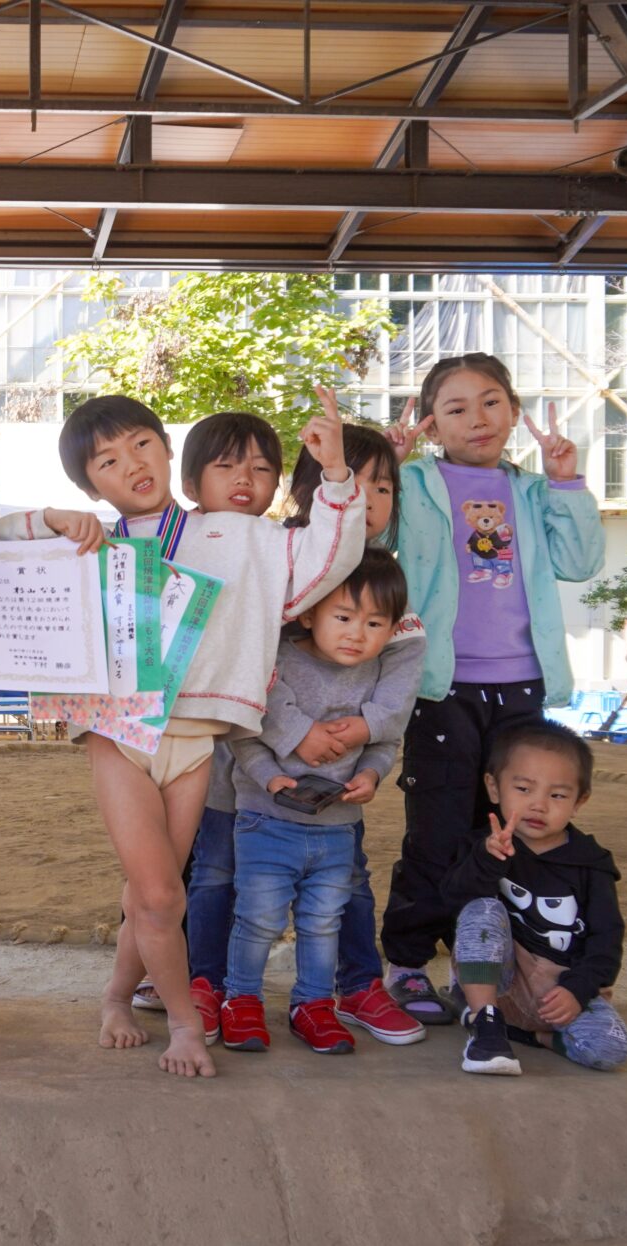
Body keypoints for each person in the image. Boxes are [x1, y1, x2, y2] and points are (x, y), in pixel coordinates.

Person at [0, 393, 364, 1077]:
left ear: (168, 450)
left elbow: (326, 559)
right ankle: (187, 1026)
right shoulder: (82, 540)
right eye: (107, 460)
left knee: (145, 893)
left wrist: (336, 476)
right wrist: (45, 518)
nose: (130, 464)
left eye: (141, 445)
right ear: (89, 483)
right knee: (163, 894)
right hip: (114, 733)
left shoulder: (239, 534)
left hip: (194, 738)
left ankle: (114, 997)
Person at [182, 422, 428, 1050]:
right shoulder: (281, 563)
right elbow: (247, 660)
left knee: (342, 884)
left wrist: (366, 731)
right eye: (348, 481)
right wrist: (296, 733)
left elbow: (398, 688)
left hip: (332, 781)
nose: (366, 499)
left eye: (382, 485)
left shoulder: (388, 591)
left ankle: (355, 985)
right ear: (309, 491)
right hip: (238, 761)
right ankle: (205, 984)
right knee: (215, 871)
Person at [380, 354, 605, 1025]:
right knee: (439, 831)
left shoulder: (537, 491)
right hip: (441, 687)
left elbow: (580, 562)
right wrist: (384, 471)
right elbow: (372, 536)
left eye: (490, 402)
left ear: (513, 411)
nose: (476, 419)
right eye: (455, 408)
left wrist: (568, 485)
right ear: (429, 424)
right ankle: (408, 961)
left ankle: (485, 969)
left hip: (521, 691)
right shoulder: (415, 482)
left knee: (510, 832)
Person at [222, 551, 410, 1054]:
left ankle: (313, 1004)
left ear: (393, 630)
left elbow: (384, 743)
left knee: (323, 923)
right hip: (267, 820)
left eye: (374, 623)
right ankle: (240, 1000)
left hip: (337, 828)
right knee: (258, 919)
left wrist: (370, 775)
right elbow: (243, 731)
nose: (356, 633)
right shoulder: (278, 662)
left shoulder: (374, 678)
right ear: (308, 613)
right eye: (344, 617)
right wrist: (269, 778)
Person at [442, 721, 627, 1075]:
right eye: (524, 788)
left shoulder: (592, 864)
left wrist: (577, 991)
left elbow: (607, 941)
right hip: (502, 982)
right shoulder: (482, 845)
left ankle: (528, 1035)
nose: (538, 805)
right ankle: (485, 1022)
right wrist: (487, 859)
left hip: (558, 991)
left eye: (557, 795)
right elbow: (454, 901)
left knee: (611, 1049)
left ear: (579, 801)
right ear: (494, 788)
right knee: (482, 909)